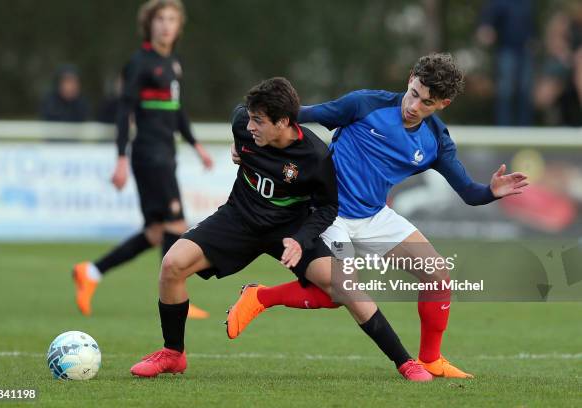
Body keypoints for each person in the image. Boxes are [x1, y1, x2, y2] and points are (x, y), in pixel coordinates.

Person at [226, 53, 529, 378]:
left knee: (438, 275)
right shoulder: (364, 104)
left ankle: (431, 359)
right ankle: (262, 296)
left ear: (444, 103)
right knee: (341, 292)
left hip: (375, 216)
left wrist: (490, 192)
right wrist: (245, 138)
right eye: (414, 93)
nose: (414, 106)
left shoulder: (436, 142)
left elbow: (468, 192)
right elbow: (291, 116)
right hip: (329, 214)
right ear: (410, 77)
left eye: (427, 102)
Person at [129, 77, 433, 382]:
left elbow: (329, 207)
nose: (250, 126)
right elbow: (241, 123)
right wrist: (239, 147)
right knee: (171, 265)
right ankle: (172, 354)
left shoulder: (315, 157)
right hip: (238, 218)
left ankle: (405, 362)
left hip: (288, 228)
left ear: (283, 122)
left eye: (259, 121)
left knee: (343, 287)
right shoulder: (243, 125)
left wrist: (301, 240)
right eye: (250, 118)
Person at [72, 0, 213, 319]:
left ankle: (91, 272)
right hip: (150, 155)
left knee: (155, 232)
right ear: (150, 25)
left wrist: (196, 145)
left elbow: (177, 112)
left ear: (179, 27)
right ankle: (177, 298)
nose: (165, 25)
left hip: (166, 153)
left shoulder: (173, 63)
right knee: (177, 225)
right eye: (160, 19)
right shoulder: (140, 63)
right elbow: (125, 111)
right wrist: (121, 157)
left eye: (171, 19)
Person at [475, 0, 535, 126]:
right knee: (505, 92)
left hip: (525, 52)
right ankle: (503, 128)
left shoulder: (527, 3)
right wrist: (485, 29)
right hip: (506, 52)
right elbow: (487, 22)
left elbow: (531, 25)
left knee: (525, 91)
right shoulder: (499, 2)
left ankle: (525, 129)